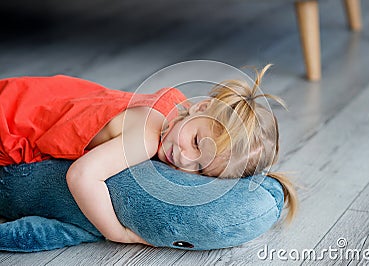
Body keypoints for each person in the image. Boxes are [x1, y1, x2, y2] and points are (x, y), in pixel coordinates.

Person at [0, 64, 297, 246]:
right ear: (202, 107)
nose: (183, 159)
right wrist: (117, 232)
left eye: (200, 170)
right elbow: (81, 176)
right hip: (10, 119)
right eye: (195, 142)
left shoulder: (174, 108)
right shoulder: (143, 138)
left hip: (32, 95)